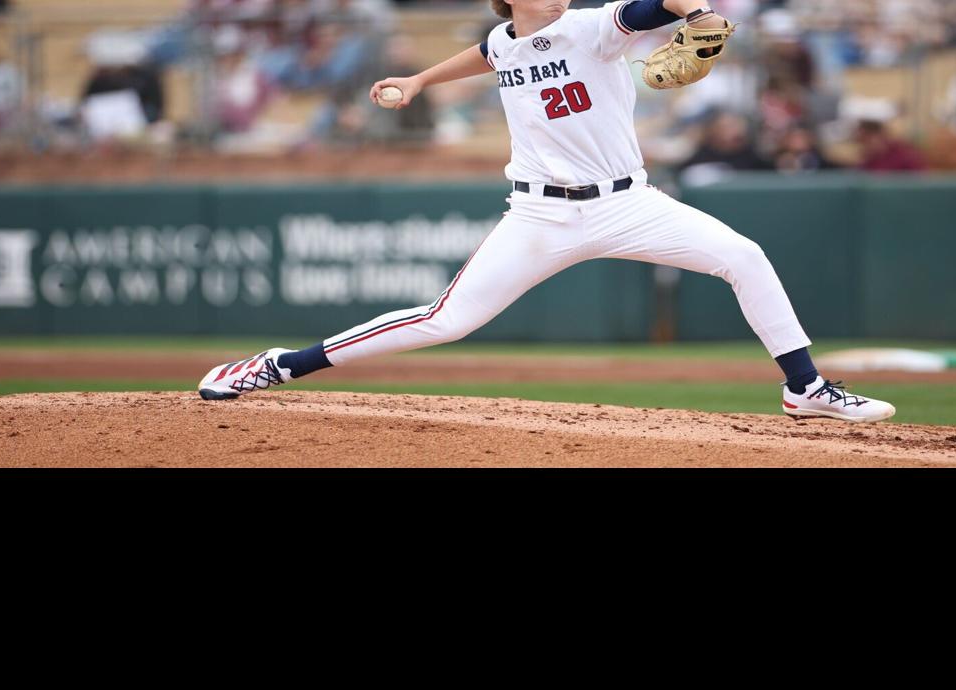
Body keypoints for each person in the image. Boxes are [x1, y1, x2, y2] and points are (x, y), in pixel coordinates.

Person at [197, 0, 894, 423]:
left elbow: (661, 4)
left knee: (743, 256)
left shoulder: (594, 27)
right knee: (446, 320)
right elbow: (489, 52)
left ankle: (806, 388)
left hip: (631, 204)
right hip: (540, 217)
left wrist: (698, 15)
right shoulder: (505, 40)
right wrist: (417, 79)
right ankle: (282, 364)